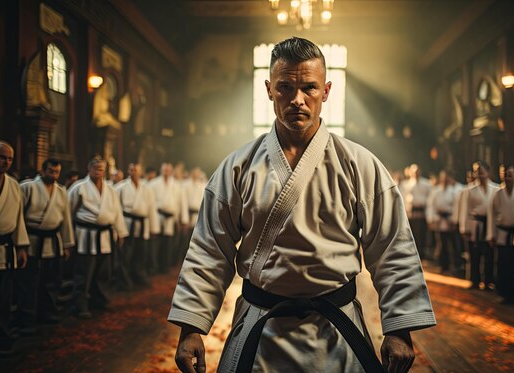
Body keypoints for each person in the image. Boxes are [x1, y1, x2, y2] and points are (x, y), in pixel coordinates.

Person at [169, 37, 435, 373]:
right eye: (284, 88)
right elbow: (209, 251)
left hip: (336, 331)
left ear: (326, 91)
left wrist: (399, 328)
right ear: (269, 90)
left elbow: (393, 249)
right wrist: (192, 328)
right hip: (261, 330)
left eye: (309, 87)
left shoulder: (359, 164)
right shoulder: (238, 167)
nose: (297, 99)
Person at [0, 141, 29, 355]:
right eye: (2, 157)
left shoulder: (13, 185)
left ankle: (1, 338)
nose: (6, 162)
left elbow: (18, 218)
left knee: (2, 298)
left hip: (5, 248)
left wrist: (21, 247)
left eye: (10, 159)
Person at [17, 158, 75, 328]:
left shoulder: (61, 191)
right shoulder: (27, 187)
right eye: (50, 171)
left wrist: (67, 243)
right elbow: (18, 216)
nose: (53, 175)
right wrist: (20, 244)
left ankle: (47, 312)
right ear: (42, 170)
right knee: (29, 281)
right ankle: (26, 318)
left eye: (56, 172)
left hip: (53, 239)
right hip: (32, 239)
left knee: (51, 280)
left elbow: (66, 219)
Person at [68, 156, 128, 318]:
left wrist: (120, 233)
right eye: (96, 169)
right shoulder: (79, 187)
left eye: (102, 169)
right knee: (84, 272)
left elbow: (117, 212)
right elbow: (68, 212)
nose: (99, 172)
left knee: (103, 272)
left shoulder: (111, 190)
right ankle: (80, 305)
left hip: (105, 235)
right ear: (89, 169)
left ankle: (100, 301)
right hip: (86, 234)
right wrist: (69, 237)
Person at [114, 163, 159, 288]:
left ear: (140, 172)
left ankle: (139, 277)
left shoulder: (147, 189)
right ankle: (124, 280)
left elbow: (151, 209)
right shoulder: (120, 188)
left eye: (135, 170)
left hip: (142, 224)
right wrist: (119, 230)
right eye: (131, 169)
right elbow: (116, 210)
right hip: (127, 224)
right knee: (126, 255)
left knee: (140, 253)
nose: (133, 172)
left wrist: (153, 228)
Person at [487, 165, 514, 304]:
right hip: (502, 233)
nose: (507, 178)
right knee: (503, 264)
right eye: (504, 175)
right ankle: (504, 293)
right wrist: (491, 235)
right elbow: (491, 215)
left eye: (510, 175)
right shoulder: (498, 193)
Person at [459, 161, 498, 289]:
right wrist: (464, 228)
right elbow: (464, 210)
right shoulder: (469, 190)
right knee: (474, 253)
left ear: (488, 172)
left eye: (481, 171)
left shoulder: (496, 189)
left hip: (489, 223)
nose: (479, 174)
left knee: (489, 254)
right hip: (474, 224)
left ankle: (488, 280)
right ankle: (475, 280)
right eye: (477, 171)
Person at [147, 162, 189, 273]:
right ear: (161, 170)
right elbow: (150, 203)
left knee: (169, 243)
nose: (166, 172)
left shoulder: (177, 185)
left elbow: (182, 203)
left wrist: (183, 220)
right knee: (156, 243)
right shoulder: (153, 184)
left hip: (171, 218)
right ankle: (153, 266)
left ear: (171, 171)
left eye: (168, 170)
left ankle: (165, 266)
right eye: (164, 169)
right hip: (157, 216)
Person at [426, 170, 457, 272]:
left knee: (452, 243)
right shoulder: (436, 191)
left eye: (446, 178)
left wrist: (454, 220)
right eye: (443, 178)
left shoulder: (453, 191)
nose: (444, 180)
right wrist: (431, 219)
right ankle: (443, 265)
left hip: (449, 219)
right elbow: (430, 206)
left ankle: (454, 264)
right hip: (439, 219)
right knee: (441, 243)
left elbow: (456, 207)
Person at [402, 163, 432, 259]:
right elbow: (403, 198)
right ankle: (412, 254)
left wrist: (429, 214)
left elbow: (430, 199)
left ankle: (421, 254)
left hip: (423, 211)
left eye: (417, 171)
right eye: (414, 172)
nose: (416, 173)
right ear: (410, 172)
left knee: (422, 234)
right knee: (412, 234)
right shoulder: (406, 184)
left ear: (420, 172)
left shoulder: (427, 184)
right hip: (411, 212)